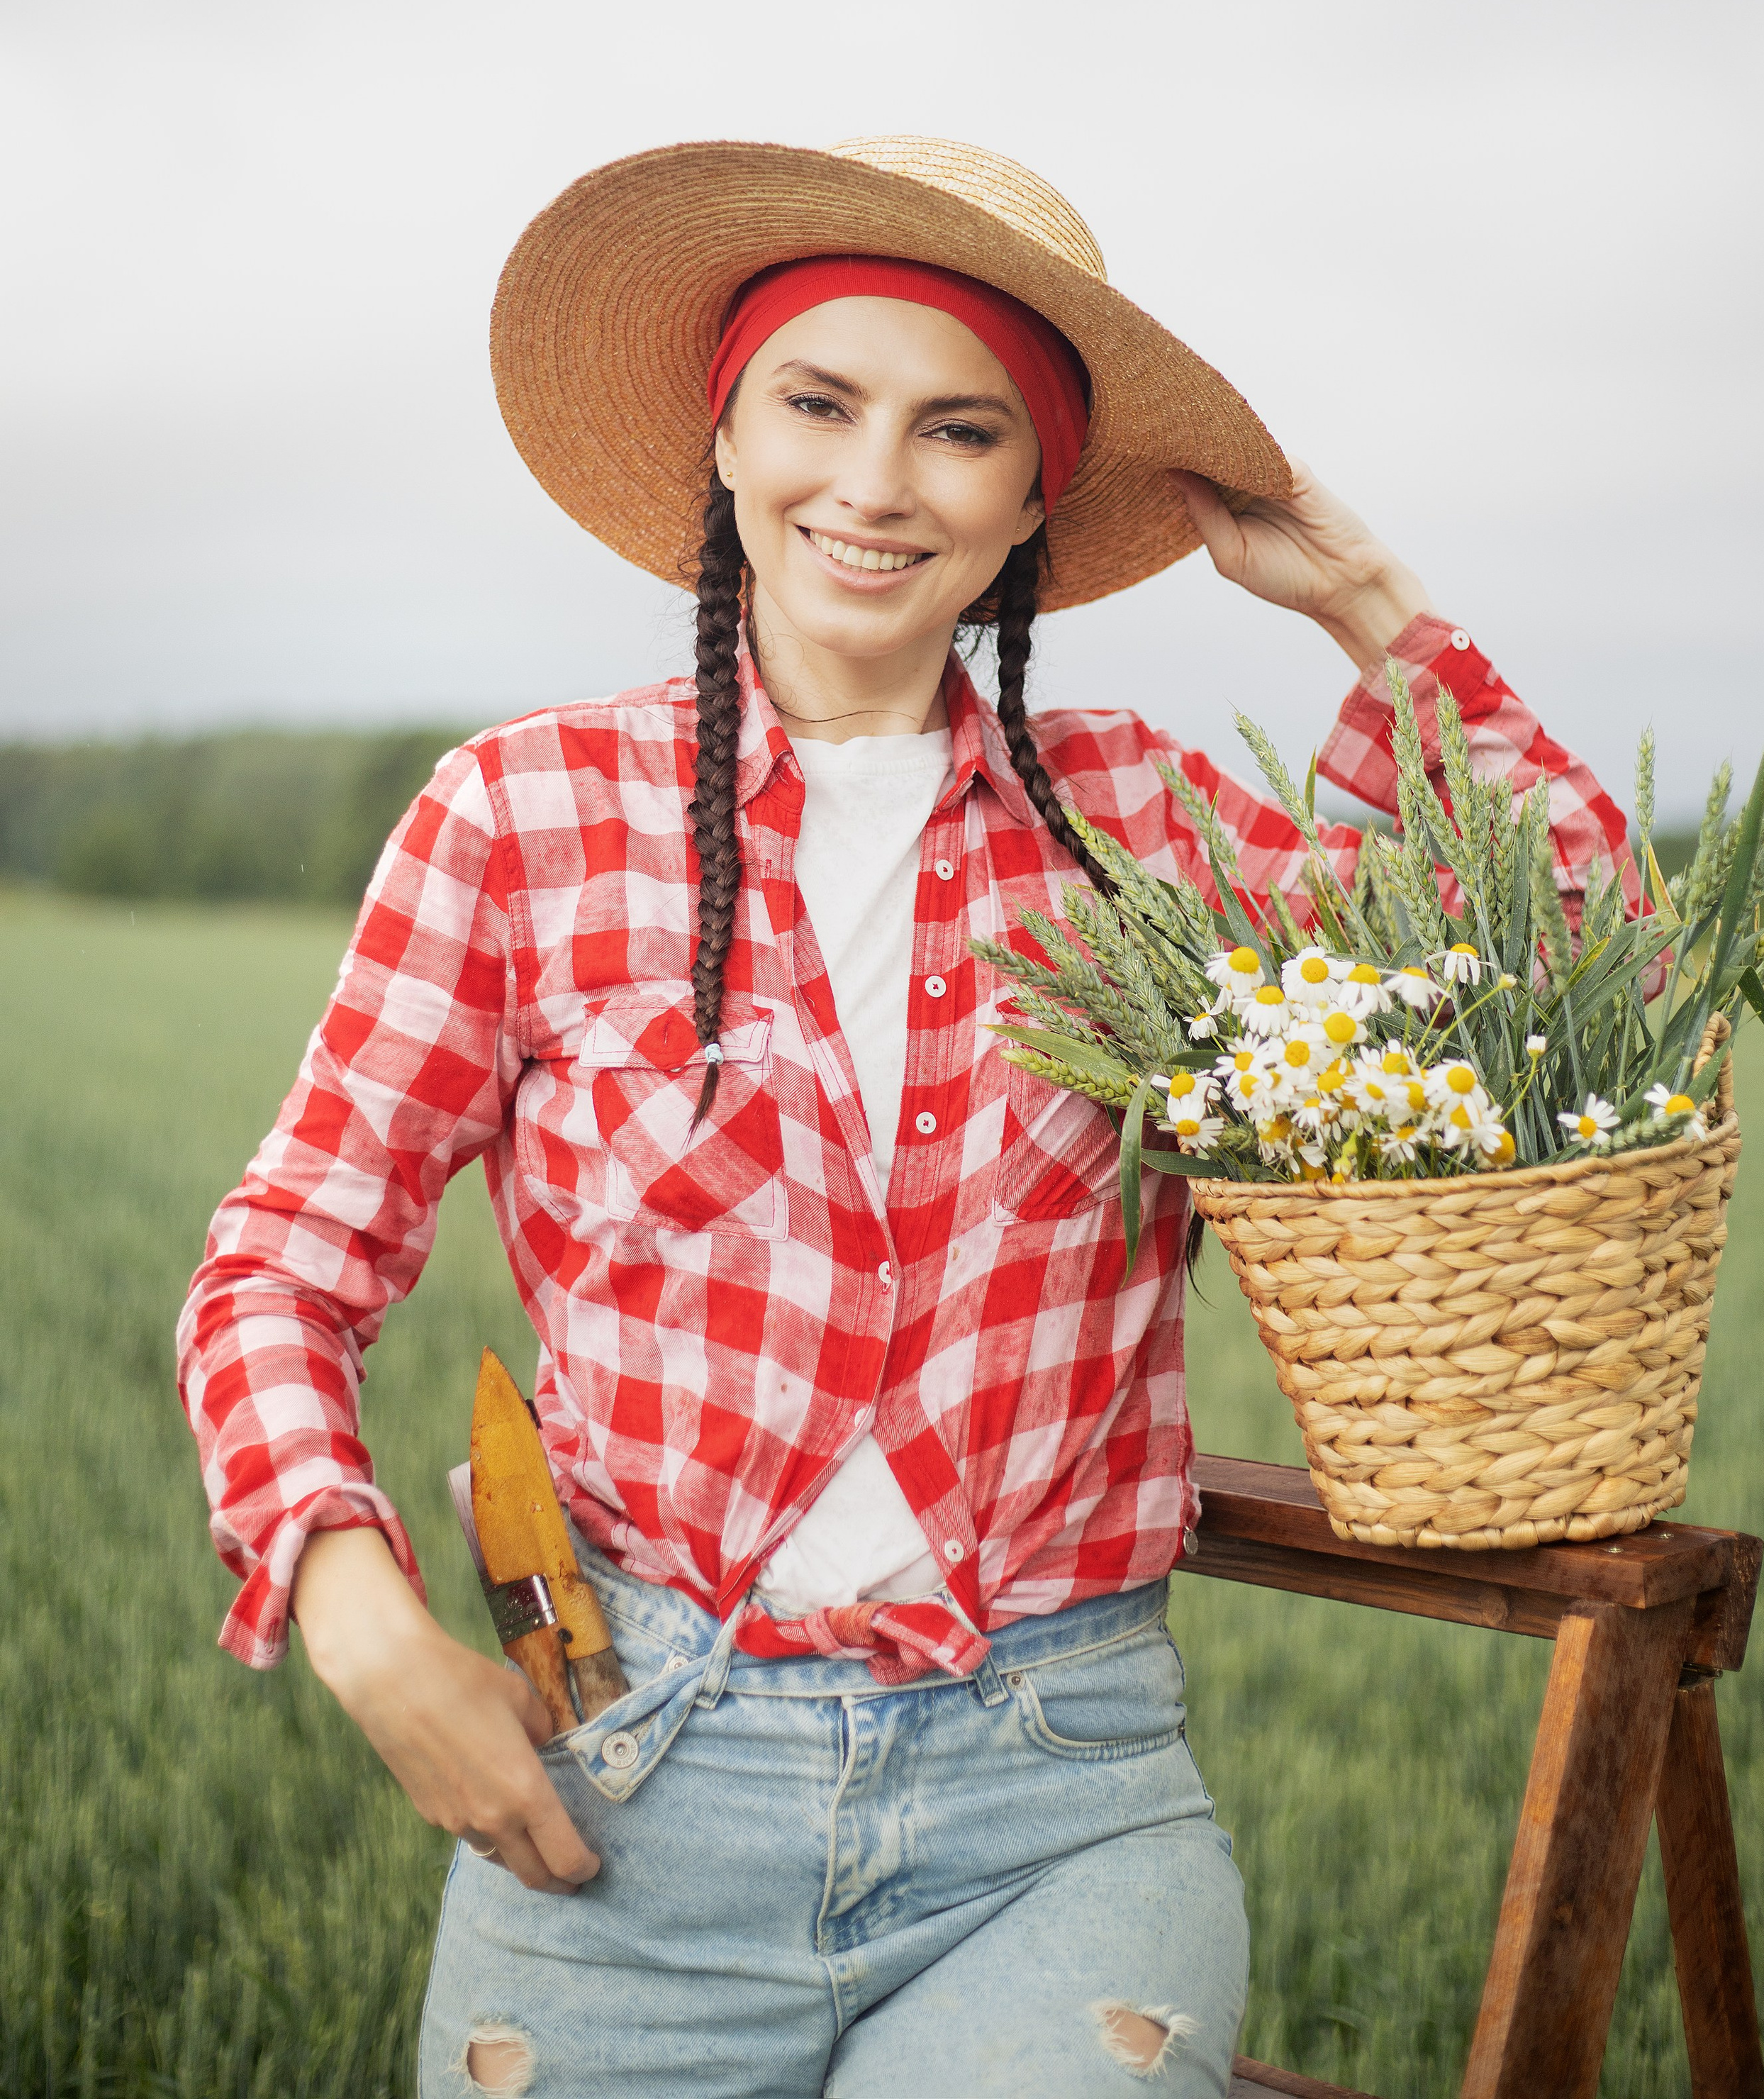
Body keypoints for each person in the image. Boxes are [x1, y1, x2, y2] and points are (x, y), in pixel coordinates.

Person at [178, 138, 1635, 2098]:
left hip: (1054, 1812)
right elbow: (285, 1257)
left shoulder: (1148, 836)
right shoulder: (516, 819)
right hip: (625, 1788)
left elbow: (1583, 945)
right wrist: (352, 1610)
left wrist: (1369, 605)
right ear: (723, 436)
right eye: (819, 402)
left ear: (1036, 501)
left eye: (960, 434)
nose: (872, 485)